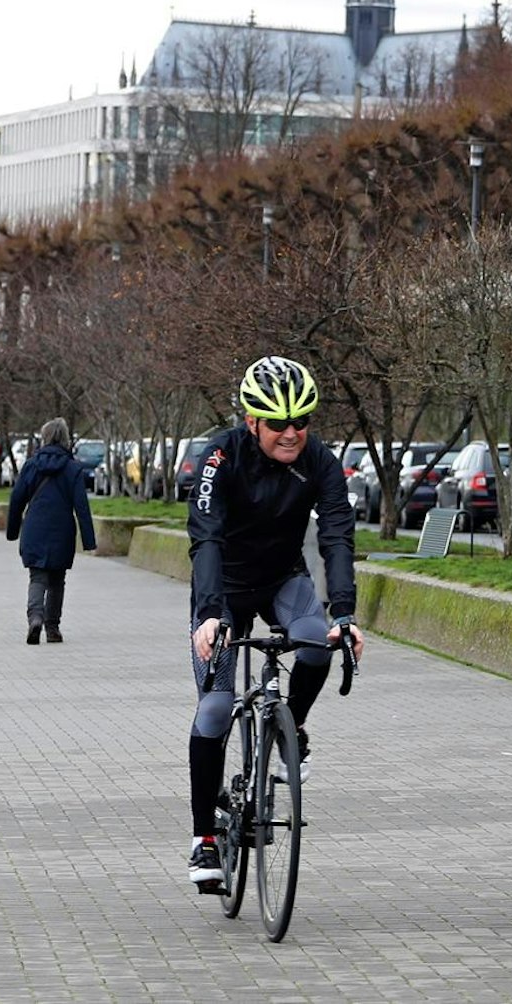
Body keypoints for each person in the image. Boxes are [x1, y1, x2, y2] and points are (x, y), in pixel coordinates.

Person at [183, 356, 363, 890]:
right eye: (278, 423)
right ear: (250, 420)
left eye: (301, 422)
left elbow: (335, 535)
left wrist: (345, 611)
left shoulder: (320, 461)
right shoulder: (218, 458)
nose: (292, 433)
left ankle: (294, 732)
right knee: (215, 708)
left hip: (283, 579)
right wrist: (212, 614)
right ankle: (204, 840)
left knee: (316, 643)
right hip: (224, 590)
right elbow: (206, 537)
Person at [5, 418, 97, 644]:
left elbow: (17, 499)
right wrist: (89, 540)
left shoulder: (31, 465)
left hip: (35, 527)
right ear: (66, 439)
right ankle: (52, 628)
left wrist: (12, 530)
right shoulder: (73, 468)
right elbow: (81, 507)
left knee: (37, 576)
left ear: (43, 437)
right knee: (57, 579)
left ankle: (35, 617)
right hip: (62, 529)